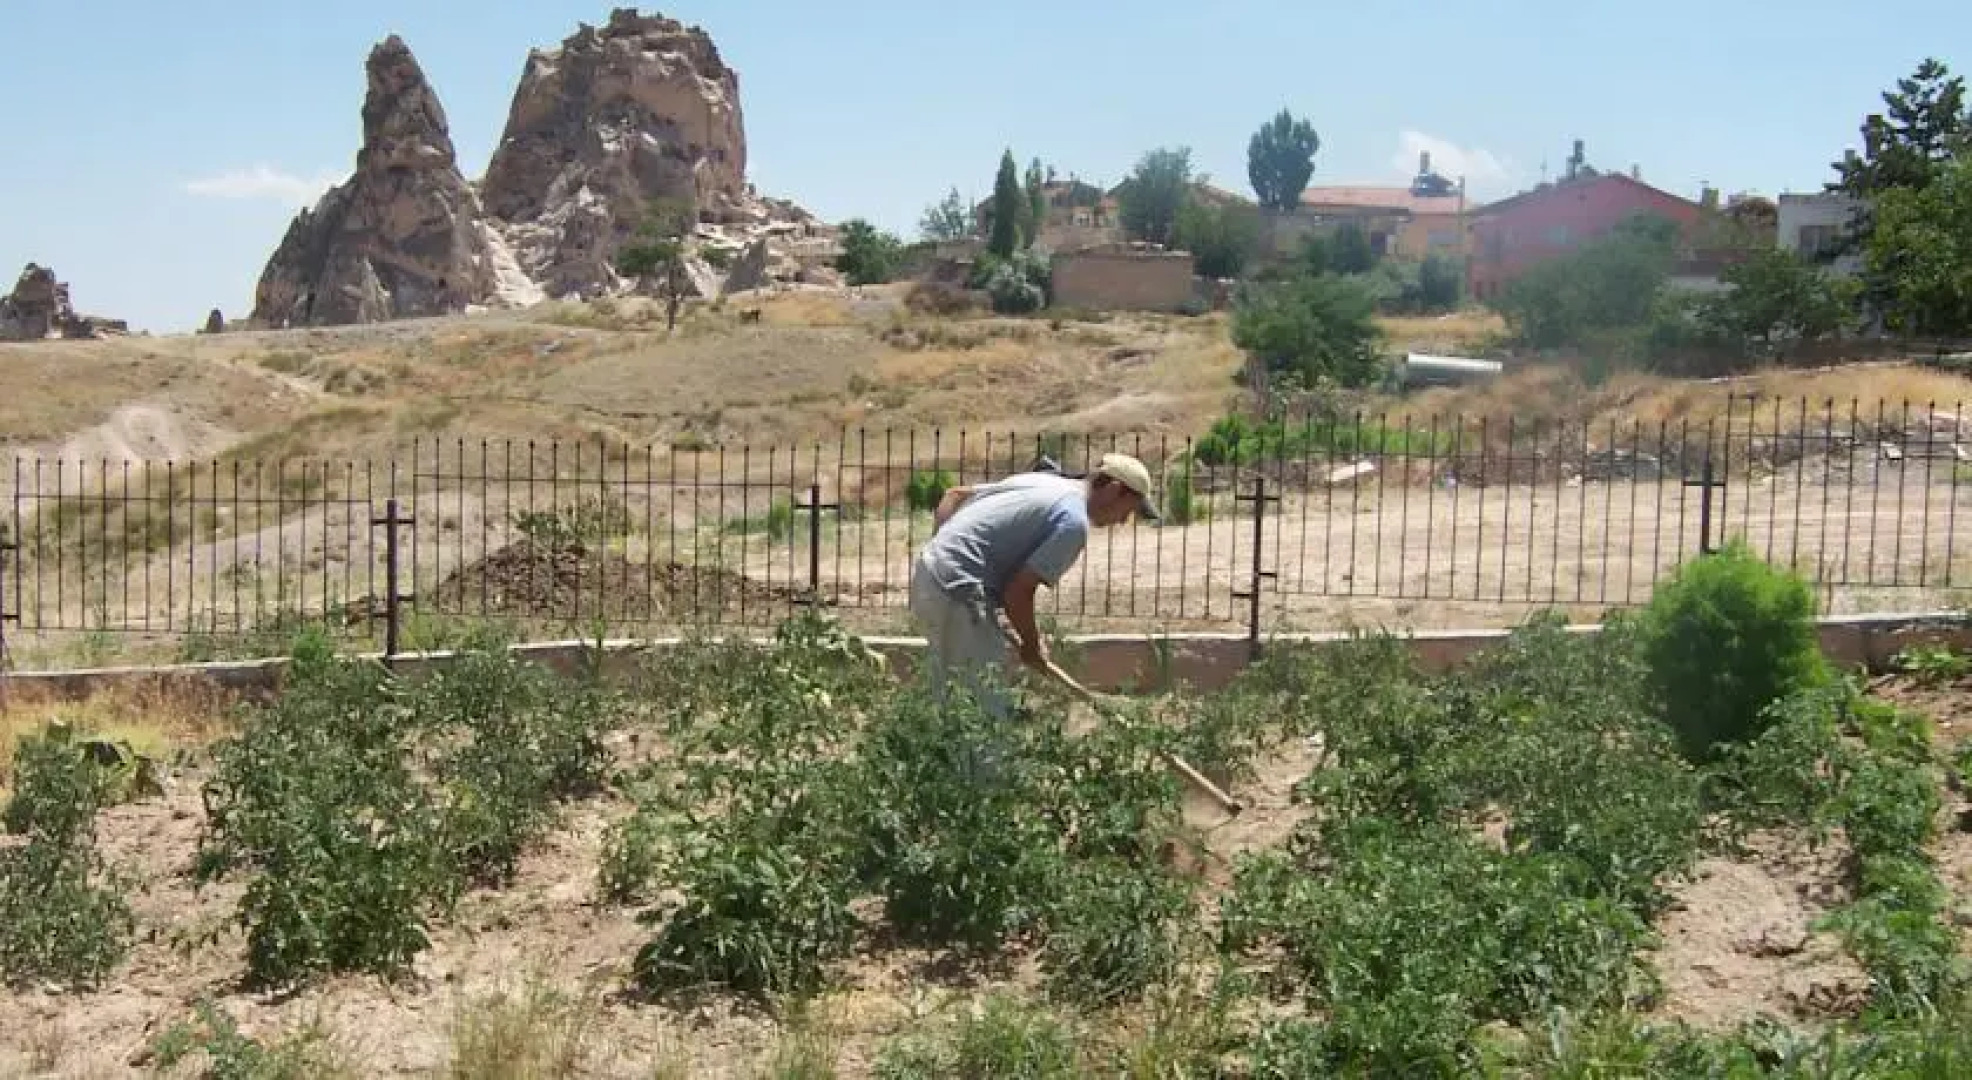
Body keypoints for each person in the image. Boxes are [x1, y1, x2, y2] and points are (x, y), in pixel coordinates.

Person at [907, 452, 1159, 720]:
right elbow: (1018, 592)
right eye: (1128, 511)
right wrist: (1031, 644)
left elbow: (954, 496)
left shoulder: (1041, 482)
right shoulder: (1073, 523)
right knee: (982, 714)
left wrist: (944, 558)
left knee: (951, 696)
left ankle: (936, 759)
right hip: (957, 591)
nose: (1122, 521)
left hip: (929, 574)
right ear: (1114, 489)